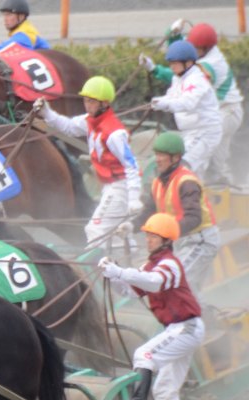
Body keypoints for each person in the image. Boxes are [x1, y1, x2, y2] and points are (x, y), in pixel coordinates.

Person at [99, 212, 205, 400]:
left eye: (153, 237)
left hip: (186, 328)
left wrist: (119, 272)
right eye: (147, 235)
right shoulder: (151, 265)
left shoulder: (170, 264)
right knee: (165, 391)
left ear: (166, 241)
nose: (148, 240)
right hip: (179, 329)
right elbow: (130, 291)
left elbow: (154, 282)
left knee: (144, 355)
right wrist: (112, 275)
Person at [34, 76, 142, 250]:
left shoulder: (115, 134)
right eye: (85, 100)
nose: (87, 105)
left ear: (104, 103)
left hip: (120, 186)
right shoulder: (89, 121)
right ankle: (127, 259)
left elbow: (131, 165)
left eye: (91, 101)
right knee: (116, 232)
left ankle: (106, 263)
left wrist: (134, 197)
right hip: (110, 186)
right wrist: (47, 113)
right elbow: (68, 127)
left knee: (95, 229)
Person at [119, 131, 220, 301]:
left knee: (176, 281)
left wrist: (166, 233)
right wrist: (131, 226)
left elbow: (194, 218)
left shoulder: (187, 182)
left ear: (175, 158)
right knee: (184, 286)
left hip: (200, 241)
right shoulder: (157, 183)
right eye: (156, 154)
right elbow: (149, 211)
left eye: (162, 155)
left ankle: (195, 316)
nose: (157, 159)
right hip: (180, 241)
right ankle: (202, 314)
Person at [140, 23, 243, 185]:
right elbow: (180, 56)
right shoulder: (185, 70)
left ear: (204, 49)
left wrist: (155, 70)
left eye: (195, 48)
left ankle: (216, 182)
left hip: (225, 113)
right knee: (198, 168)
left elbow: (187, 101)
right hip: (199, 126)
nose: (172, 67)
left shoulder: (205, 71)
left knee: (189, 165)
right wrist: (173, 34)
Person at [144, 40, 223, 184]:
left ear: (188, 63)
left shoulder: (197, 80)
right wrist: (157, 102)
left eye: (175, 63)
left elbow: (187, 103)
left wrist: (164, 104)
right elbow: (171, 97)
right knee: (192, 172)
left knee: (182, 166)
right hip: (190, 133)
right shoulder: (178, 78)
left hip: (205, 132)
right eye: (170, 63)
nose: (172, 67)